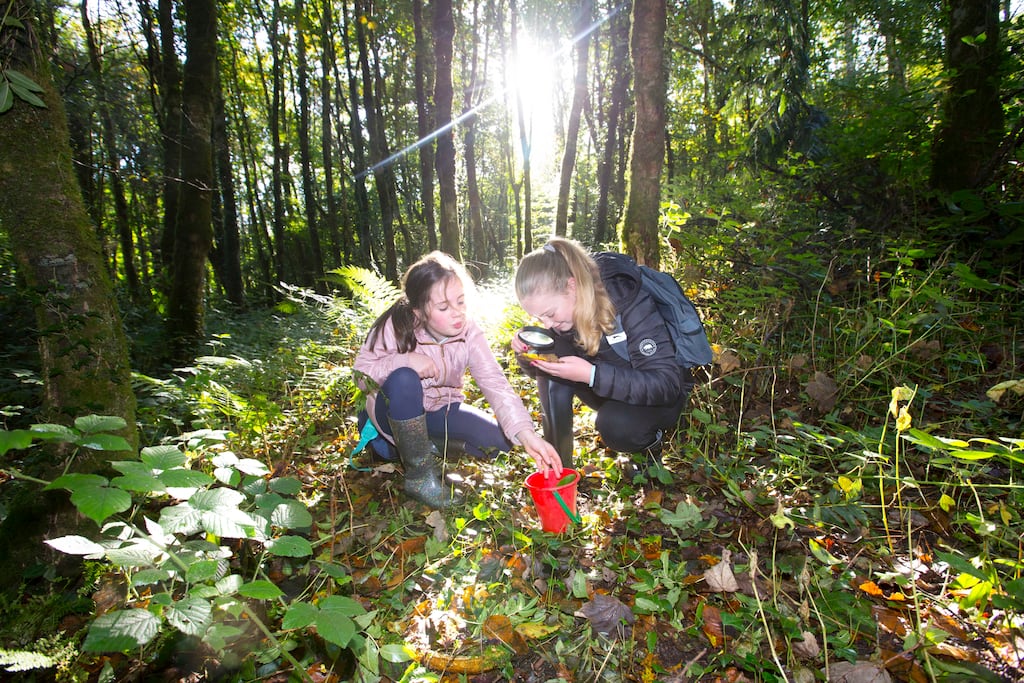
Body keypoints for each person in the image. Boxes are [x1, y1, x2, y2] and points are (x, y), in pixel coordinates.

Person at [354, 251, 562, 509]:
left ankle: (426, 446)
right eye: (443, 307)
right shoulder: (395, 325)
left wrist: (527, 435)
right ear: (418, 311)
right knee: (404, 379)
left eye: (461, 302)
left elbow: (495, 383)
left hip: (442, 409)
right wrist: (403, 361)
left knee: (500, 444)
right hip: (394, 412)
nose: (457, 313)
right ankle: (419, 475)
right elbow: (362, 376)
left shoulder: (469, 333)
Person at [511, 237, 693, 477]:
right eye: (539, 318)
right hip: (609, 384)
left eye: (550, 313)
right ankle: (561, 473)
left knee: (616, 426)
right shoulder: (565, 316)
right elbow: (549, 367)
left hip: (660, 397)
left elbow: (666, 384)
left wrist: (591, 375)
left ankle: (651, 449)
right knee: (548, 355)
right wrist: (529, 355)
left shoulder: (628, 302)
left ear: (572, 286)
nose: (548, 324)